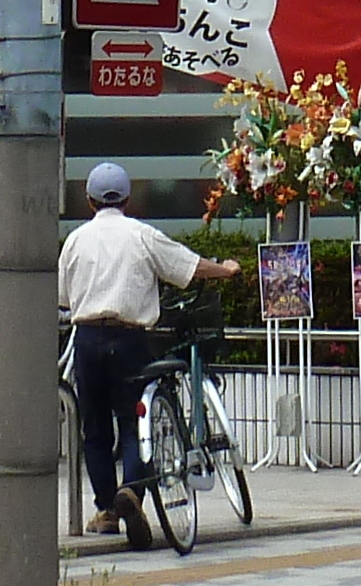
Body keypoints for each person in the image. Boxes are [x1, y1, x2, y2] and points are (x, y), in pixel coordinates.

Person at [55, 161, 242, 545]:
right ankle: (132, 493)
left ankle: (106, 510)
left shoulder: (76, 240)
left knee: (94, 429)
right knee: (131, 420)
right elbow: (187, 267)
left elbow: (62, 297)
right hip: (130, 340)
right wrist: (225, 270)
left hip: (87, 337)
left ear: (90, 201)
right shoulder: (141, 235)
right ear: (128, 198)